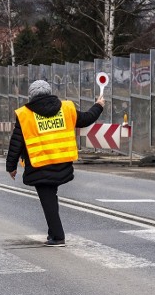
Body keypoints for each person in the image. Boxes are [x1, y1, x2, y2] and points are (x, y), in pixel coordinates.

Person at [6, 80, 105, 246]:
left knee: (48, 200)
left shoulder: (25, 114)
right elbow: (86, 119)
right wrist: (98, 105)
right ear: (50, 92)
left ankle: (58, 236)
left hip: (39, 163)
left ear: (31, 96)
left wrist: (11, 167)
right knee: (51, 197)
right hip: (61, 162)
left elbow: (17, 142)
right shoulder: (66, 108)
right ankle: (53, 233)